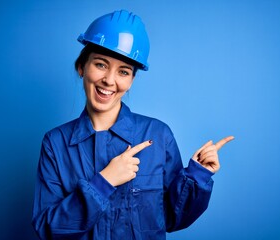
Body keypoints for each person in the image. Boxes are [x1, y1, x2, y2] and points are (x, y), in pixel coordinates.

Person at [32, 9, 234, 240]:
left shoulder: (157, 135)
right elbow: (48, 229)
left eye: (123, 71)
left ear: (131, 80)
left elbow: (172, 219)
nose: (109, 80)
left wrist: (198, 176)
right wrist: (104, 182)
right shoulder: (55, 143)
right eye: (100, 64)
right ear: (82, 67)